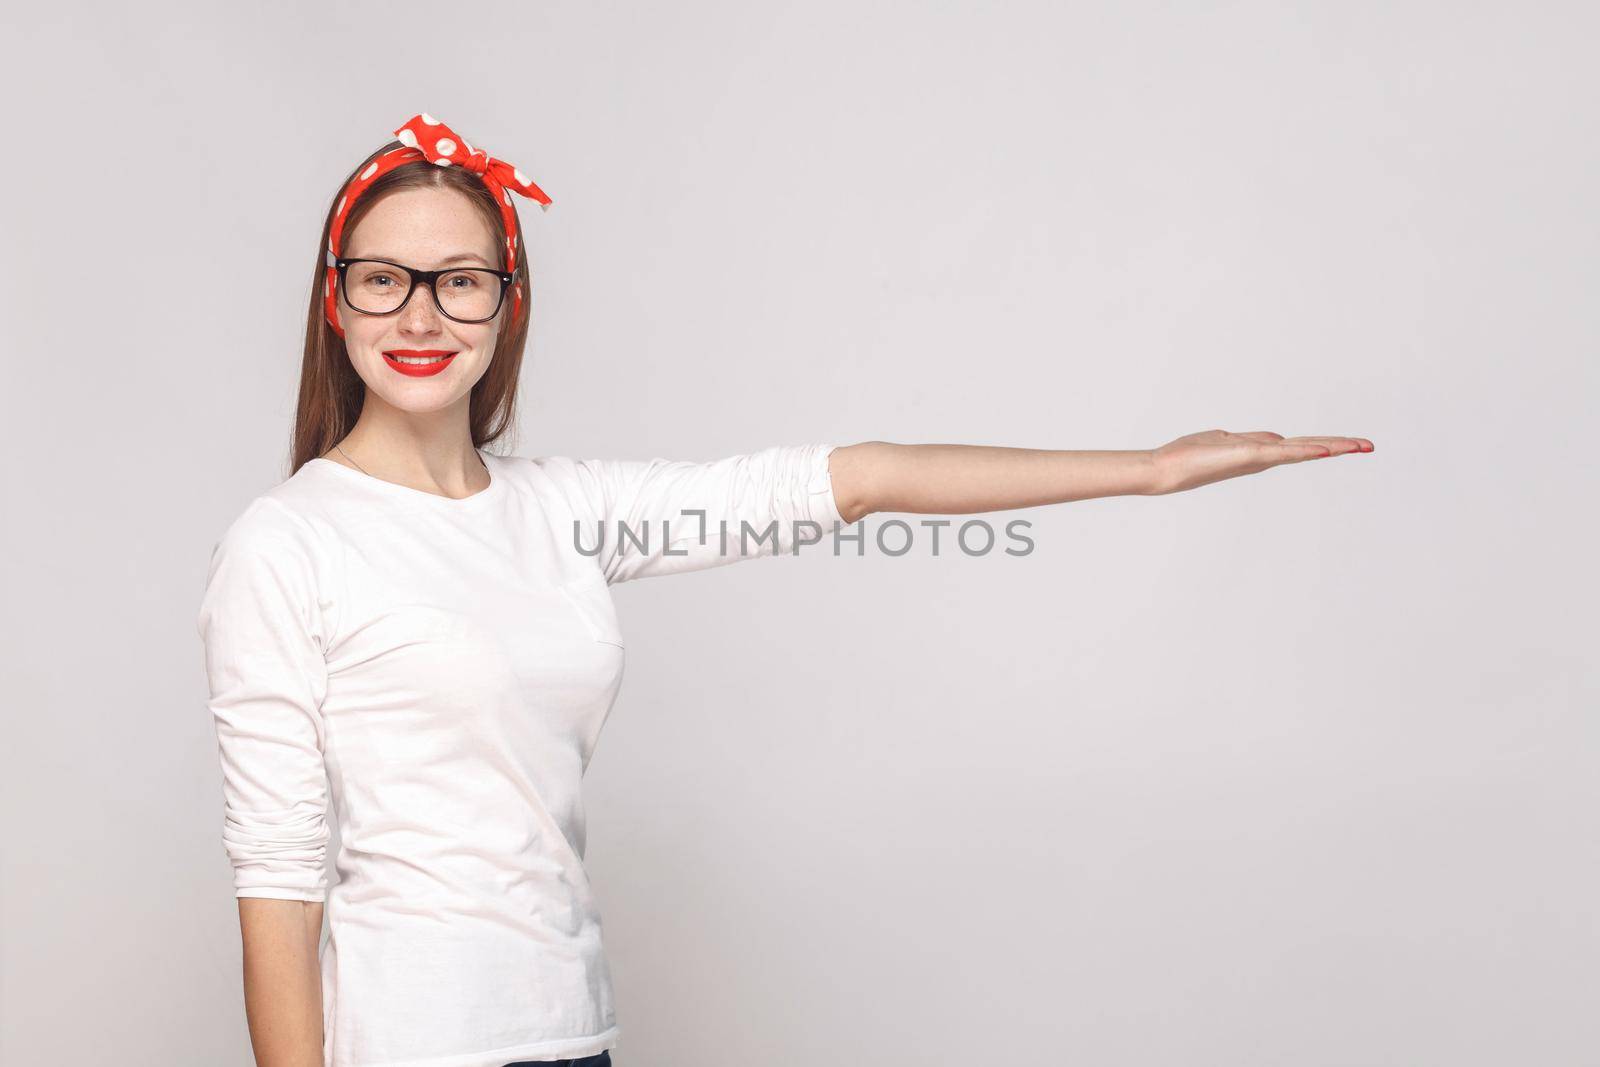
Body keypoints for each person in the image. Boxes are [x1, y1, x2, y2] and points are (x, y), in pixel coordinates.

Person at [195, 113, 1372, 1067]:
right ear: (333, 299)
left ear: (507, 303)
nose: (418, 313)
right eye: (384, 278)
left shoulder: (563, 512)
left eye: (458, 281)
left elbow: (856, 480)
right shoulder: (290, 542)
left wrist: (1152, 471)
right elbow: (280, 885)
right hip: (408, 1044)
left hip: (569, 1028)